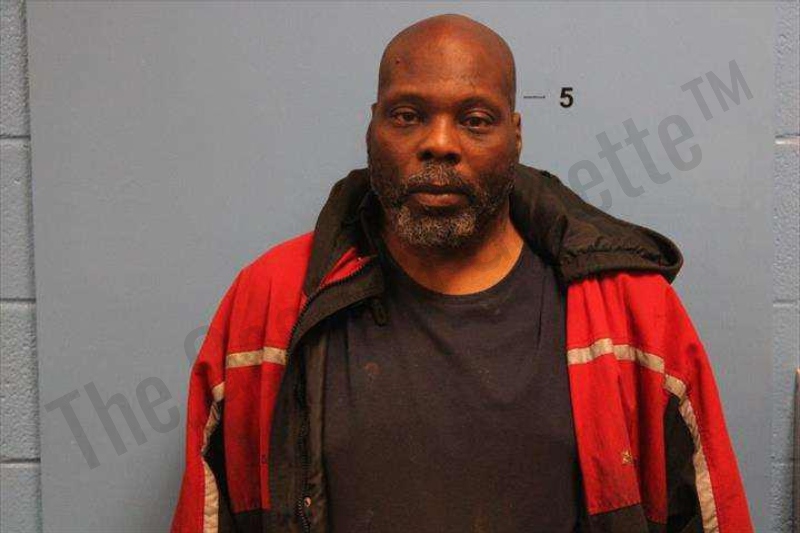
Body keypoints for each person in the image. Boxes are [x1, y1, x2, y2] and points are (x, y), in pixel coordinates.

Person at [170, 14, 753, 533]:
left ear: (515, 135)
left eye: (474, 120)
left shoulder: (631, 311)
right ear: (372, 127)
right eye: (408, 116)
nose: (439, 144)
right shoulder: (270, 301)